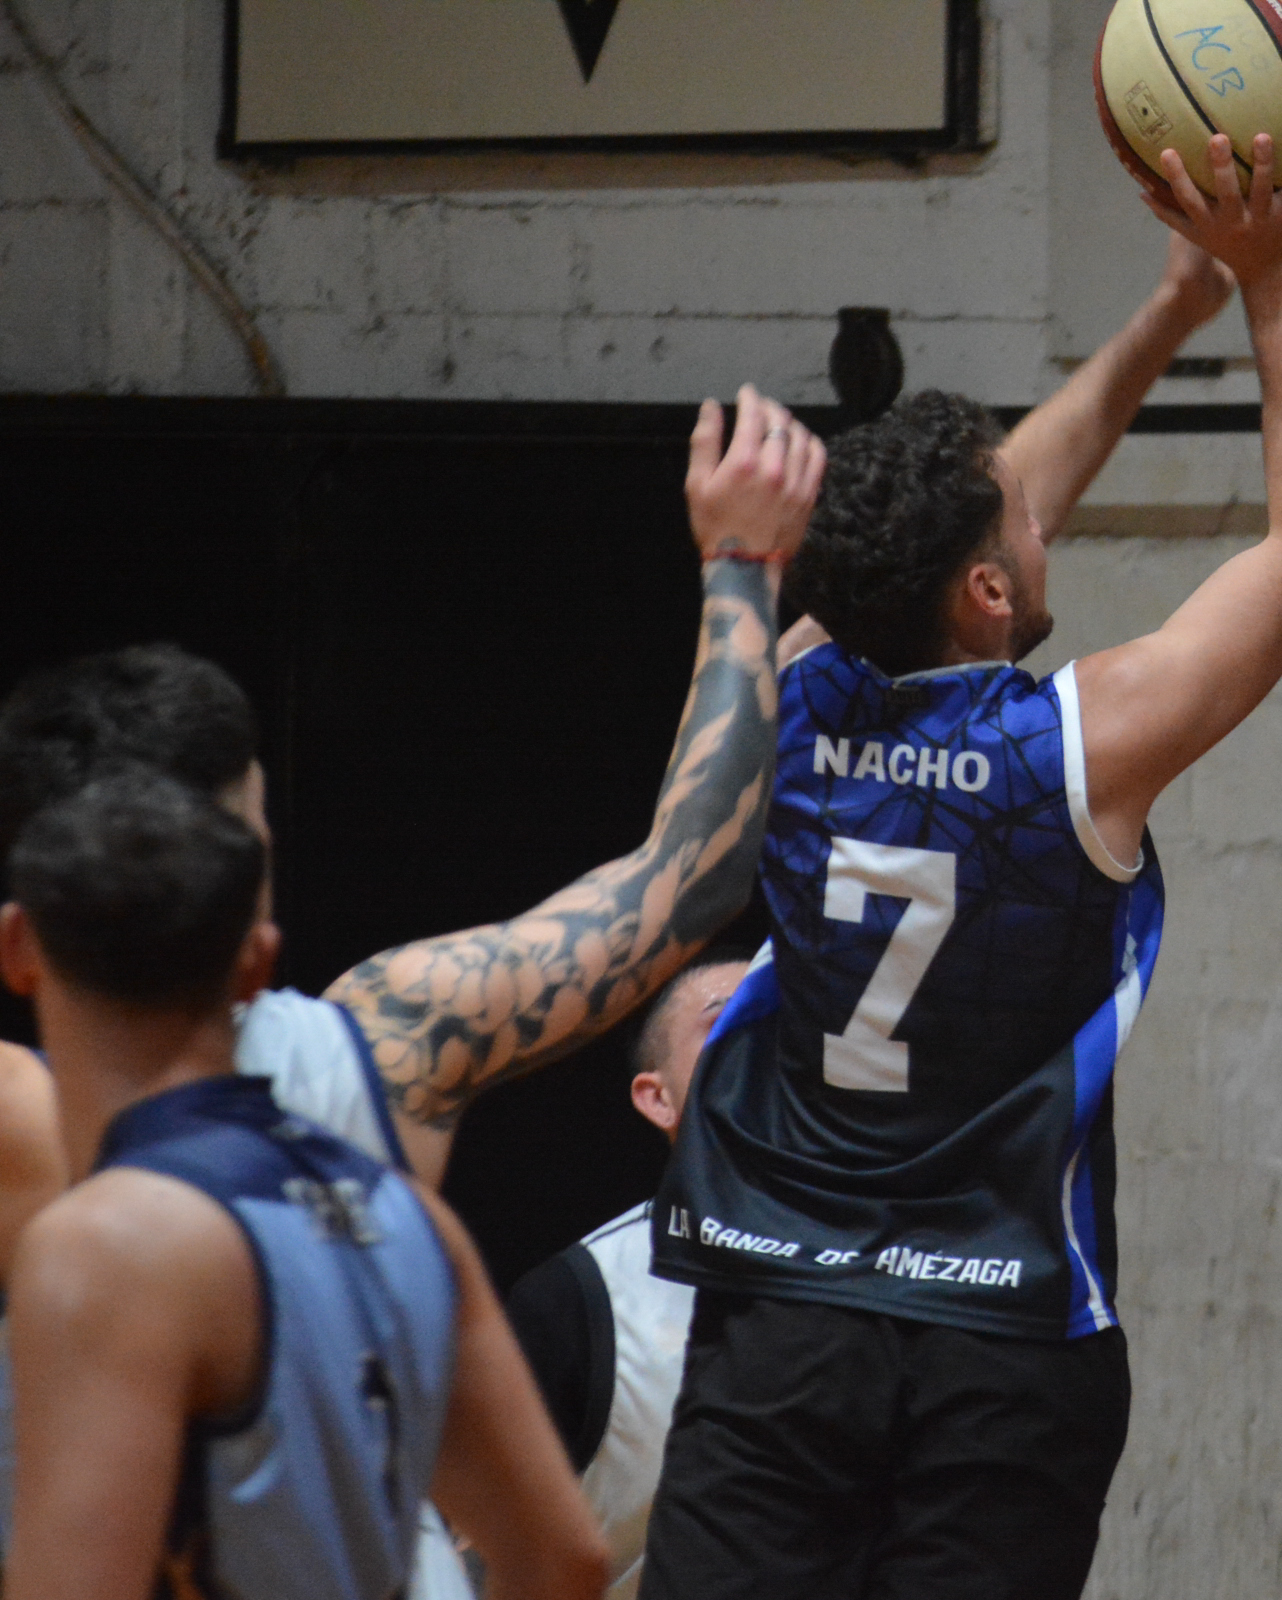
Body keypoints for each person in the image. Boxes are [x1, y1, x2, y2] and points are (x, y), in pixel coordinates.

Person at [644, 132, 1282, 1600]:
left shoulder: (789, 690)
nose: (1045, 515)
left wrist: (1165, 312)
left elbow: (946, 526)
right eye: (1024, 525)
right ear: (987, 589)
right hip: (1002, 1330)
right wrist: (1267, 272)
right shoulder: (1075, 752)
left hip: (785, 1303)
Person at [0, 386, 823, 1591]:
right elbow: (684, 881)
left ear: (22, 940)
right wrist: (744, 566)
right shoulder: (392, 1103)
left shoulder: (61, 1175)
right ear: (257, 935)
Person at [0, 771, 608, 1600]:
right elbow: (566, 1557)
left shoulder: (108, 1240)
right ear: (257, 962)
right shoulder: (410, 1215)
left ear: (18, 948)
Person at [505, 952, 750, 1600]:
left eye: (789, 1018)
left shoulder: (913, 1275)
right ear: (658, 1097)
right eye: (728, 1019)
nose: (768, 1036)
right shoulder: (572, 1301)